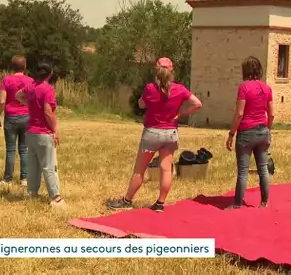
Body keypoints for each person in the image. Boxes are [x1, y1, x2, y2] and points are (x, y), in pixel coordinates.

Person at [107, 57, 202, 212]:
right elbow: (198, 104)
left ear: (156, 71)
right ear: (172, 71)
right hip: (171, 133)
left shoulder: (150, 88)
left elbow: (141, 104)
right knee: (166, 168)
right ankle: (160, 203)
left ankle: (127, 200)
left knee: (140, 170)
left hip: (152, 132)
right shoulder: (180, 89)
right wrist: (182, 113)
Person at [225, 56, 274, 210]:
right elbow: (271, 114)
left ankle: (238, 204)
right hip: (263, 130)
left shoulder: (244, 88)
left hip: (246, 131)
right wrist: (268, 129)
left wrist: (231, 133)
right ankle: (264, 202)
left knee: (243, 171)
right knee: (263, 169)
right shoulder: (266, 88)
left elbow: (239, 113)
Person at [16, 62, 65, 207]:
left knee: (33, 165)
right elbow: (47, 112)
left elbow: (18, 95)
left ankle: (32, 192)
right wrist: (55, 129)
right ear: (50, 74)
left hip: (30, 133)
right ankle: (56, 198)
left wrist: (29, 105)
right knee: (49, 166)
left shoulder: (30, 86)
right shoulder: (47, 89)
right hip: (43, 133)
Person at [0, 55, 33, 186]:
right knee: (24, 149)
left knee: (10, 149)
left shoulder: (6, 80)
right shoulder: (30, 81)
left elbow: (1, 101)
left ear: (12, 66)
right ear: (25, 66)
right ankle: (25, 179)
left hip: (11, 117)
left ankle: (7, 179)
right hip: (27, 117)